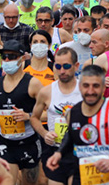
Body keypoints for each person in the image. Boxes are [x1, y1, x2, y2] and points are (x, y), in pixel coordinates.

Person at [46, 64, 109, 185]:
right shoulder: (73, 113)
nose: (90, 91)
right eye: (86, 86)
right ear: (79, 87)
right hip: (82, 179)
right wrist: (59, 153)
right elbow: (71, 137)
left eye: (95, 86)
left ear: (104, 87)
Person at [0, 40, 43, 185]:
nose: (7, 60)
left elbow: (48, 111)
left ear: (21, 58)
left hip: (28, 143)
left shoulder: (33, 84)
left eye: (12, 57)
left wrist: (29, 116)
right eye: (4, 56)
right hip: (5, 143)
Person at [30, 47, 82, 185]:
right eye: (58, 66)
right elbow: (34, 117)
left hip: (79, 151)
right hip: (55, 149)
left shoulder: (84, 90)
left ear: (76, 66)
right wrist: (44, 133)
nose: (62, 71)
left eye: (66, 66)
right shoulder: (46, 92)